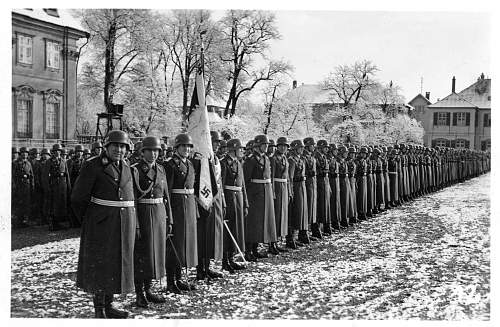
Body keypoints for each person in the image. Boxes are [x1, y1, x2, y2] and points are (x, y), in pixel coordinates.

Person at [72, 130, 137, 319]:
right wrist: (90, 221)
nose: (119, 150)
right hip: (100, 224)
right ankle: (99, 308)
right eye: (115, 146)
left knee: (115, 264)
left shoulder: (127, 167)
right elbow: (78, 198)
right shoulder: (93, 166)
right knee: (100, 265)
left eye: (123, 146)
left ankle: (109, 305)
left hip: (122, 224)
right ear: (106, 147)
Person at [130, 136, 172, 308]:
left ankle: (149, 289)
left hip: (159, 214)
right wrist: (137, 224)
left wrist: (170, 218)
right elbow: (133, 199)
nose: (154, 154)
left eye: (156, 151)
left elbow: (166, 196)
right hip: (144, 214)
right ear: (143, 152)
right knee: (142, 255)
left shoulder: (161, 169)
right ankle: (140, 293)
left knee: (155, 253)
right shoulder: (135, 170)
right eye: (150, 150)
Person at [162, 134, 198, 294]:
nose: (187, 149)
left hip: (189, 207)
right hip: (176, 208)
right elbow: (167, 192)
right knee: (174, 244)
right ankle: (171, 281)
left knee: (184, 244)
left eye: (189, 147)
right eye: (184, 146)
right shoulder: (170, 165)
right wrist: (168, 214)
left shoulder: (190, 163)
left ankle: (179, 278)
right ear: (176, 148)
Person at [193, 131, 225, 280]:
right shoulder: (201, 160)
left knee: (212, 235)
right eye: (214, 142)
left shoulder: (216, 159)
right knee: (202, 235)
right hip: (203, 202)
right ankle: (200, 269)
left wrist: (222, 202)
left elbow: (219, 183)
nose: (217, 145)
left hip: (216, 201)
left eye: (218, 142)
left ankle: (208, 267)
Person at [243, 134, 277, 259]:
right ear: (258, 145)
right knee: (253, 222)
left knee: (261, 222)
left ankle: (256, 248)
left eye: (267, 144)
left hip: (265, 193)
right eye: (264, 144)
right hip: (254, 194)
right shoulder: (250, 160)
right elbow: (246, 180)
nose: (267, 147)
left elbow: (269, 177)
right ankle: (248, 251)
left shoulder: (266, 159)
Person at [220, 138, 248, 272]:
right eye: (240, 149)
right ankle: (225, 260)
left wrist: (246, 203)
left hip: (239, 198)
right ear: (233, 149)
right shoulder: (224, 164)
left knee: (236, 229)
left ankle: (231, 257)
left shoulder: (239, 163)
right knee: (228, 229)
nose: (242, 151)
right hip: (229, 198)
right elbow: (221, 186)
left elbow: (243, 185)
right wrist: (223, 204)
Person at [269, 136, 291, 253]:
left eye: (285, 146)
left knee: (282, 215)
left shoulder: (285, 158)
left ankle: (277, 241)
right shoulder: (274, 159)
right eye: (281, 146)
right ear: (277, 146)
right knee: (276, 215)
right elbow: (271, 176)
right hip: (277, 187)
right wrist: (272, 191)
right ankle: (272, 243)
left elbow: (287, 177)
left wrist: (289, 191)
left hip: (284, 187)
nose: (283, 148)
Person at [286, 140, 308, 248]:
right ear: (295, 148)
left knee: (301, 211)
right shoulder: (291, 160)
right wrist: (291, 191)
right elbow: (290, 177)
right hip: (295, 187)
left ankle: (298, 236)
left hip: (301, 187)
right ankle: (291, 238)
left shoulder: (301, 159)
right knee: (294, 212)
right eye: (300, 147)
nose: (302, 149)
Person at [44, 144, 71, 231]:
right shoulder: (49, 161)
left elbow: (67, 174)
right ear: (53, 152)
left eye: (59, 151)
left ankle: (58, 223)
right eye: (55, 151)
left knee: (61, 205)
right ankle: (53, 224)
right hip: (54, 185)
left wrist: (69, 187)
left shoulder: (63, 161)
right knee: (53, 205)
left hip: (63, 185)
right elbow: (45, 176)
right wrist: (47, 187)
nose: (57, 153)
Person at [12, 147, 34, 228]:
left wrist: (32, 186)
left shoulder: (28, 163)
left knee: (26, 204)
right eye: (23, 153)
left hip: (27, 186)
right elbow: (13, 176)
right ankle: (18, 222)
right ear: (20, 154)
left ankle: (25, 221)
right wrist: (15, 186)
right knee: (19, 204)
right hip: (19, 186)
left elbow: (31, 176)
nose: (25, 154)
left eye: (26, 153)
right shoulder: (16, 163)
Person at [314, 140, 331, 236]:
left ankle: (325, 226)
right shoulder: (316, 157)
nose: (327, 149)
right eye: (325, 147)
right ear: (320, 147)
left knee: (325, 204)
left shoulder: (324, 157)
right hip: (319, 182)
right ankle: (317, 228)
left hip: (325, 181)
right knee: (319, 205)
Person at [302, 137, 318, 240]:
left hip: (312, 183)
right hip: (307, 183)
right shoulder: (304, 157)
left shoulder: (311, 156)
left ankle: (310, 230)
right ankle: (304, 232)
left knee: (312, 207)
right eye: (312, 145)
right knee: (307, 207)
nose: (314, 147)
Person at [327, 144, 341, 231]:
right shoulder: (328, 159)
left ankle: (335, 221)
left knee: (336, 200)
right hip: (331, 181)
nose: (336, 151)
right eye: (335, 150)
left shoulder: (334, 159)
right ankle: (332, 222)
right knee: (332, 201)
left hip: (335, 181)